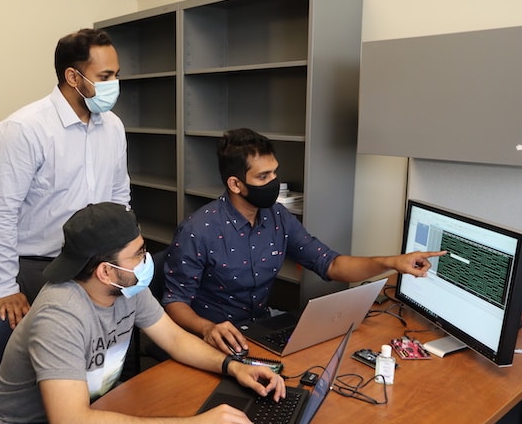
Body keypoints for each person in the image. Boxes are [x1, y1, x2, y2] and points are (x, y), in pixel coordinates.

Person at [0, 202, 286, 424]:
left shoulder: (128, 289)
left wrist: (234, 366)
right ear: (105, 271)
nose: (147, 259)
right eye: (139, 253)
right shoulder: (60, 316)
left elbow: (175, 339)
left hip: (91, 408)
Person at [162, 128, 446, 355]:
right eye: (264, 176)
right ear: (236, 184)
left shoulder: (277, 217)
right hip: (211, 340)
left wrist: (393, 262)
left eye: (275, 172)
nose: (274, 181)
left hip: (260, 330)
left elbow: (331, 264)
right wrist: (208, 328)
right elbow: (175, 302)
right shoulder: (198, 230)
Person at [0, 28, 130, 329]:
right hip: (42, 265)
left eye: (116, 75)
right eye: (104, 77)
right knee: (53, 354)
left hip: (98, 261)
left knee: (101, 346)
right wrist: (6, 287)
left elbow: (118, 195)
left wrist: (123, 254)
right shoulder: (23, 130)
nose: (114, 84)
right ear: (73, 77)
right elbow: (2, 214)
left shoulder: (113, 126)